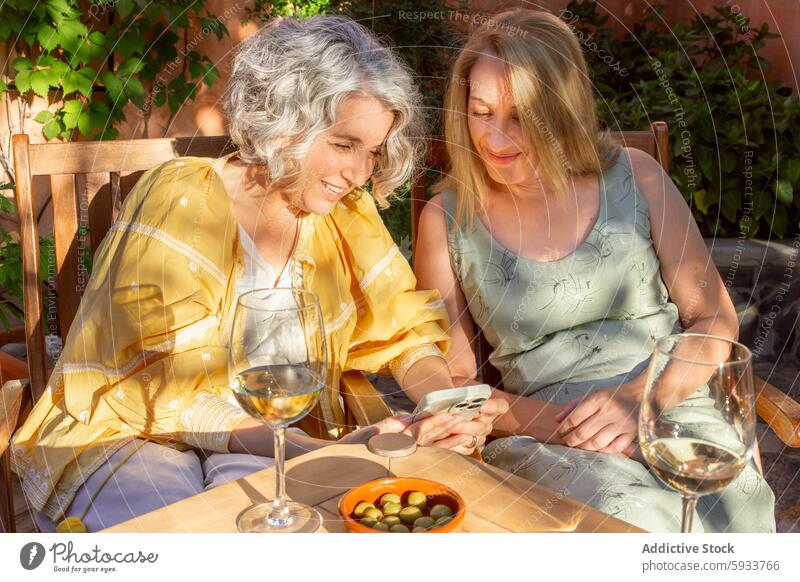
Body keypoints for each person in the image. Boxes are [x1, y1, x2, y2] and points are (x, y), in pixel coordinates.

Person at [11, 15, 507, 533]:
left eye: (373, 151)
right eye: (343, 145)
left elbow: (401, 329)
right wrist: (314, 452)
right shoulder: (182, 198)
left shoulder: (345, 213)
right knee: (188, 543)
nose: (360, 173)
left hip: (267, 438)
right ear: (283, 122)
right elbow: (152, 384)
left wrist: (437, 402)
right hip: (132, 433)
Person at [414, 9, 775, 532]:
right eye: (481, 112)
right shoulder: (447, 220)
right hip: (554, 440)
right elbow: (457, 383)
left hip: (673, 398)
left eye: (520, 117)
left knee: (730, 501)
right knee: (630, 517)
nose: (495, 138)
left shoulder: (638, 175)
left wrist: (639, 405)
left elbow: (714, 318)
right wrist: (565, 427)